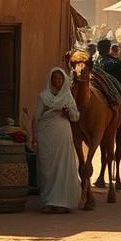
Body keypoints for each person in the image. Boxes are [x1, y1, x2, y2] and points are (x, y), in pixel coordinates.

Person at [32, 67, 81, 214]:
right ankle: (49, 202)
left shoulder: (68, 97)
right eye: (55, 78)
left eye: (60, 79)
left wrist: (69, 112)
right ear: (51, 80)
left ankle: (62, 202)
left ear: (64, 80)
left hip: (62, 136)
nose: (57, 81)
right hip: (46, 135)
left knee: (63, 167)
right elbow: (36, 117)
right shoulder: (43, 96)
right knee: (48, 168)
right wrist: (34, 136)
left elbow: (76, 116)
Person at [96, 38, 121, 130]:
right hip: (112, 90)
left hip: (97, 87)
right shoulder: (113, 63)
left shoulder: (94, 62)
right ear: (108, 49)